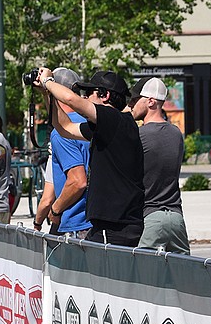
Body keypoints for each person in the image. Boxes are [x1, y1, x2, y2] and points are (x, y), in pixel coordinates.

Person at [35, 68, 144, 246]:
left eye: (89, 93)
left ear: (105, 95)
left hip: (115, 225)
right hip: (111, 224)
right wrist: (47, 95)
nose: (85, 97)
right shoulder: (111, 126)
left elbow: (71, 99)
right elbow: (65, 128)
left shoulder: (115, 119)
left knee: (108, 274)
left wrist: (48, 81)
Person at [131, 76, 190, 253]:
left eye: (135, 100)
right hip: (176, 217)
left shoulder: (138, 136)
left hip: (150, 216)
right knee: (183, 274)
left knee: (142, 276)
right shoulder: (176, 134)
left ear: (150, 101)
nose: (131, 104)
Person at [33, 68, 91, 238]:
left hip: (75, 223)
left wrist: (55, 210)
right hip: (95, 219)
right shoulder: (91, 124)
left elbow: (77, 182)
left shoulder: (62, 134)